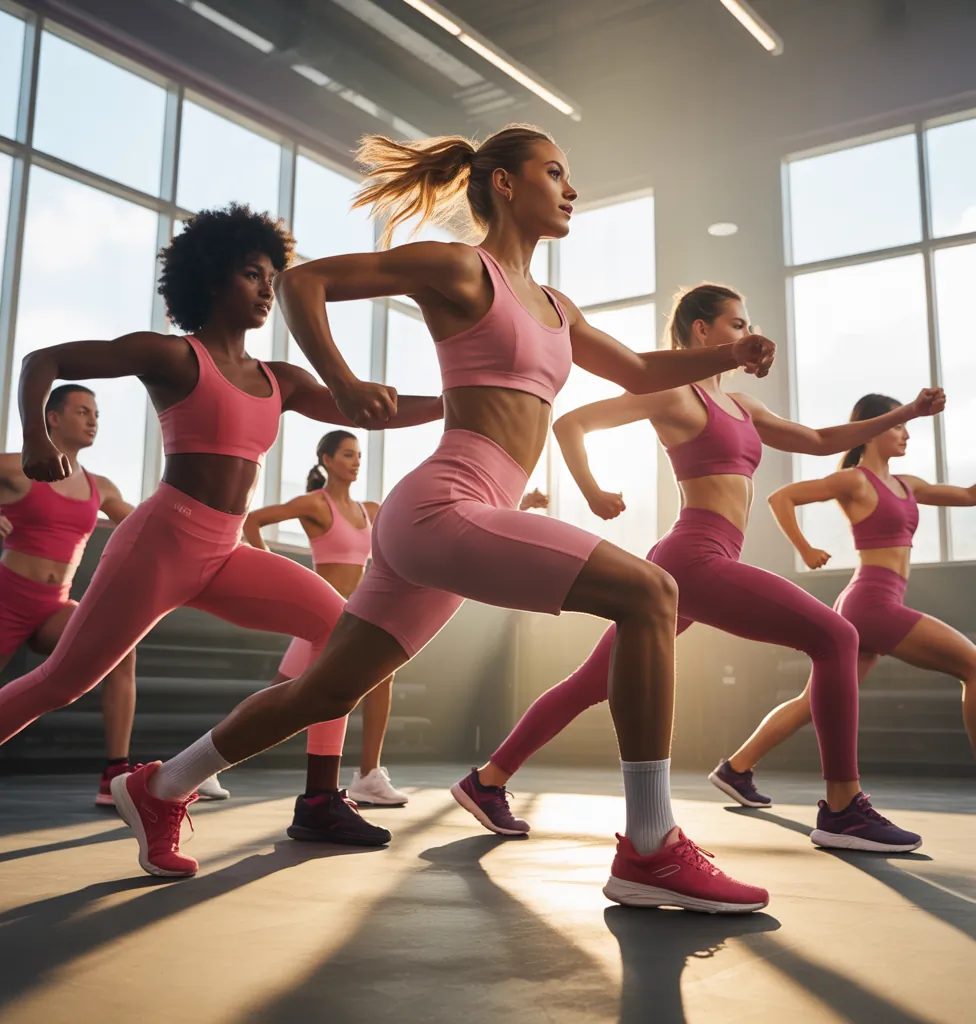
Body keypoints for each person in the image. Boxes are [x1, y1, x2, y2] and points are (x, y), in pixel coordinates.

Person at [112, 126, 777, 914]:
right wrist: (347, 382)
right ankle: (651, 847)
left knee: (324, 692)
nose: (571, 189)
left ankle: (161, 785)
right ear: (502, 183)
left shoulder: (559, 307)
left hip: (455, 516)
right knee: (651, 594)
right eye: (555, 173)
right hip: (444, 503)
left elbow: (637, 369)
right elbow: (304, 285)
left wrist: (724, 359)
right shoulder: (461, 266)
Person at [0, 203, 443, 852]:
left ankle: (321, 800)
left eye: (273, 278)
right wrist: (35, 437)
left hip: (224, 549)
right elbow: (42, 360)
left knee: (339, 633)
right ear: (212, 280)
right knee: (66, 680)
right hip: (158, 547)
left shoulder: (282, 381)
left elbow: (376, 411)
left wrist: (469, 401)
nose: (268, 289)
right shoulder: (171, 357)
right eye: (251, 274)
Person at [455, 284, 942, 855]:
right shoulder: (676, 395)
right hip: (695, 556)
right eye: (735, 324)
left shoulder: (743, 406)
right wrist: (592, 492)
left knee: (592, 683)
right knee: (837, 634)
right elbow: (572, 425)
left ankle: (486, 781)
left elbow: (817, 440)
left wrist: (908, 412)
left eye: (747, 323)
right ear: (701, 332)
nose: (746, 333)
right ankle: (842, 809)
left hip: (693, 560)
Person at [244, 429, 549, 808]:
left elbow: (437, 525)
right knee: (279, 697)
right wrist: (282, 574)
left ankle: (368, 776)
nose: (356, 462)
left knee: (382, 676)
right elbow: (252, 521)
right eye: (347, 455)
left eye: (358, 455)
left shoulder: (370, 510)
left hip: (353, 614)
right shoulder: (315, 504)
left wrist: (520, 504)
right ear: (327, 461)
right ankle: (204, 766)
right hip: (319, 616)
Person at [717, 392, 975, 792]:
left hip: (871, 604)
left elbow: (970, 496)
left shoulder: (909, 485)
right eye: (897, 424)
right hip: (872, 604)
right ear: (871, 431)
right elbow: (781, 497)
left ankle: (735, 769)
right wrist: (804, 549)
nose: (906, 433)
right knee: (972, 665)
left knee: (811, 703)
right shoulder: (855, 480)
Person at [0, 384, 136, 824]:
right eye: (82, 411)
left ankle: (114, 775)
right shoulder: (14, 468)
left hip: (55, 607)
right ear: (52, 418)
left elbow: (150, 524)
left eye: (97, 414)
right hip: (7, 600)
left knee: (122, 646)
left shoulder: (101, 486)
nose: (93, 420)